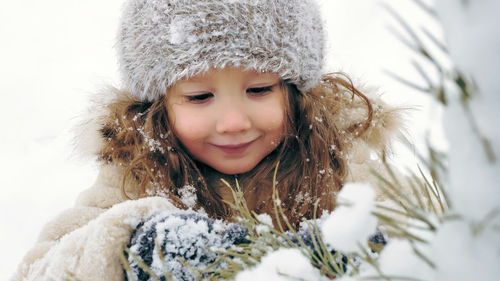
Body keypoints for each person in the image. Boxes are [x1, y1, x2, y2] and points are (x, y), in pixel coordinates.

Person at [12, 0, 401, 280]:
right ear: (159, 107)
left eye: (260, 89)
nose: (232, 123)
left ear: (297, 94)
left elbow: (431, 241)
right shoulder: (135, 175)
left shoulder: (343, 165)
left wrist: (370, 248)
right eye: (200, 97)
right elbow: (40, 270)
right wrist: (133, 245)